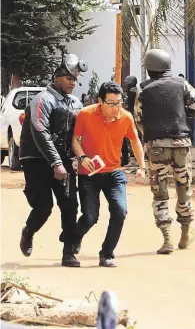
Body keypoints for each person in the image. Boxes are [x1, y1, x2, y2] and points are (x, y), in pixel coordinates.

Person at [134, 49, 195, 254]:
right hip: (181, 143)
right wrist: (183, 114)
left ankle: (167, 239)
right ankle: (186, 230)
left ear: (149, 69)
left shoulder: (143, 89)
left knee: (160, 192)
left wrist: (150, 138)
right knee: (184, 187)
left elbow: (138, 119)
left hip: (155, 146)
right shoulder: (181, 84)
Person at [19, 53, 87, 267]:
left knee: (69, 205)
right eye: (69, 78)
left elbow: (80, 132)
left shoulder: (75, 102)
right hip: (37, 159)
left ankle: (68, 253)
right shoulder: (42, 100)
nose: (72, 83)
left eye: (75, 79)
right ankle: (28, 231)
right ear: (57, 77)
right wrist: (55, 163)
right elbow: (40, 133)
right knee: (43, 206)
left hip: (62, 158)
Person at [72, 81, 146, 267]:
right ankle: (75, 237)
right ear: (100, 101)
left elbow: (135, 142)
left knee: (120, 211)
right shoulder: (85, 114)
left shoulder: (126, 117)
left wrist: (142, 167)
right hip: (88, 173)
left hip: (114, 172)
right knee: (90, 217)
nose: (115, 108)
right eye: (111, 103)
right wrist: (82, 158)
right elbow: (75, 139)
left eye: (119, 103)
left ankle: (107, 253)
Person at [121, 75, 138, 166]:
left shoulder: (132, 92)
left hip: (132, 116)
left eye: (126, 84)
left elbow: (128, 106)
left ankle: (131, 153)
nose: (124, 85)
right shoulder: (135, 91)